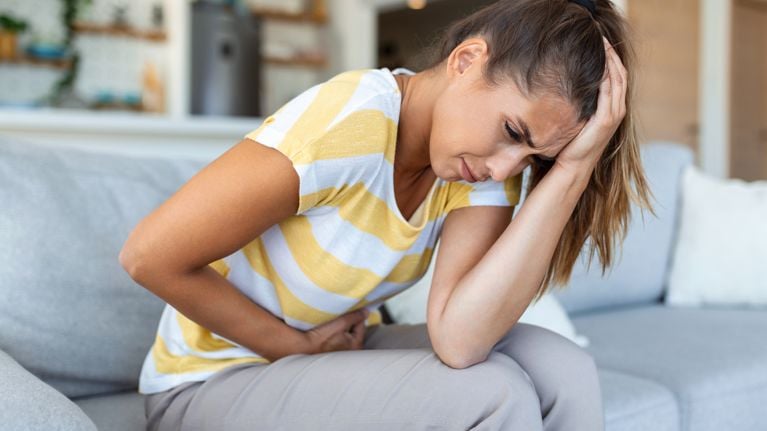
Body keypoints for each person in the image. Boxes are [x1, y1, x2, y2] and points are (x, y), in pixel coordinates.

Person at [120, 0, 655, 429]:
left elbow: (460, 338)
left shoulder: (474, 169)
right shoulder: (351, 123)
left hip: (327, 350)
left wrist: (570, 171)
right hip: (207, 384)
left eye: (531, 157)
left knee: (567, 371)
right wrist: (292, 345)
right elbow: (149, 256)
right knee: (495, 397)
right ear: (466, 61)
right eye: (513, 133)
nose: (504, 169)